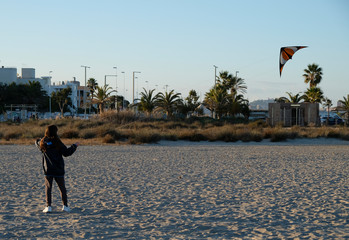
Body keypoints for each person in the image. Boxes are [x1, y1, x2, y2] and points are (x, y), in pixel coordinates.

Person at [37, 125, 79, 213]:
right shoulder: (57, 142)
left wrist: (41, 140)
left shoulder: (42, 142)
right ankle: (65, 206)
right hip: (58, 169)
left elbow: (37, 143)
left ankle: (48, 206)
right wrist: (74, 146)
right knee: (62, 188)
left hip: (48, 169)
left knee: (48, 188)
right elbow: (67, 153)